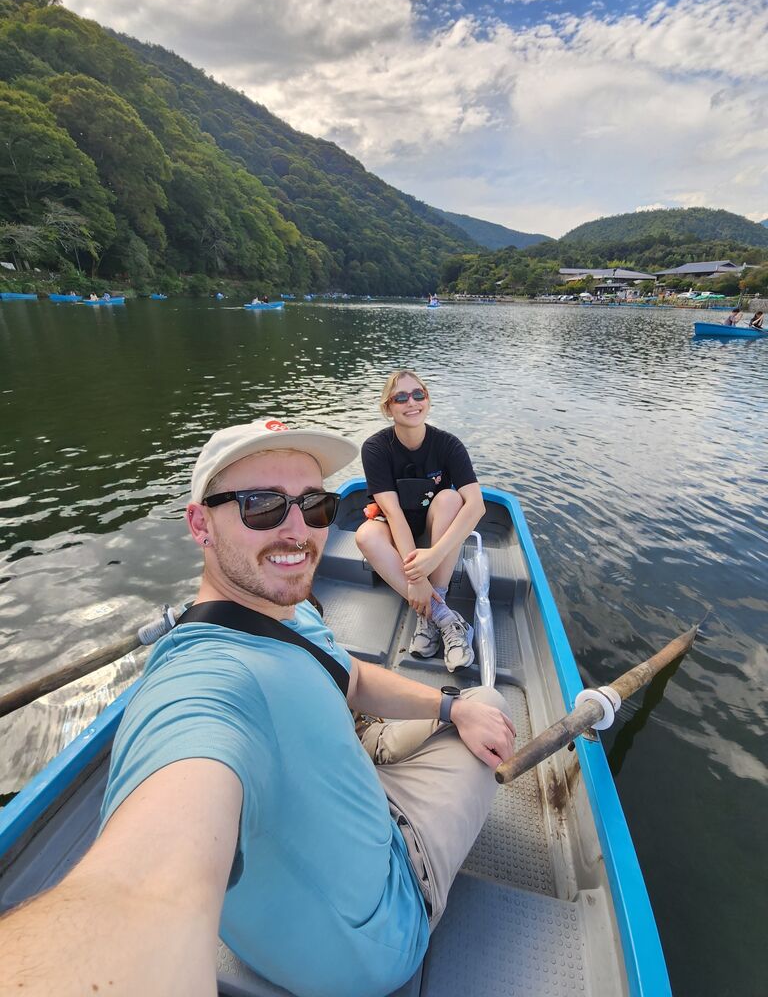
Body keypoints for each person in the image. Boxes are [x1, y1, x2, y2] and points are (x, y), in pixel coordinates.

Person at [1, 418, 515, 997]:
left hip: (287, 906)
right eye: (261, 505)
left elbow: (349, 678)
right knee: (491, 698)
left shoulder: (284, 610)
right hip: (381, 925)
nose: (298, 531)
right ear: (200, 523)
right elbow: (141, 893)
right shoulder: (203, 685)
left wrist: (450, 708)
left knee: (465, 707)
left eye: (313, 504)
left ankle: (383, 740)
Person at [357, 370, 486, 671]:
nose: (411, 402)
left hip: (433, 536)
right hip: (395, 528)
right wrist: (416, 577)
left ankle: (432, 601)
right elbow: (393, 513)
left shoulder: (448, 445)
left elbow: (476, 506)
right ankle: (443, 618)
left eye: (419, 394)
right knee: (365, 536)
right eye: (400, 397)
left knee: (451, 499)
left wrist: (433, 556)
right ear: (388, 407)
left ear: (427, 400)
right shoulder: (376, 448)